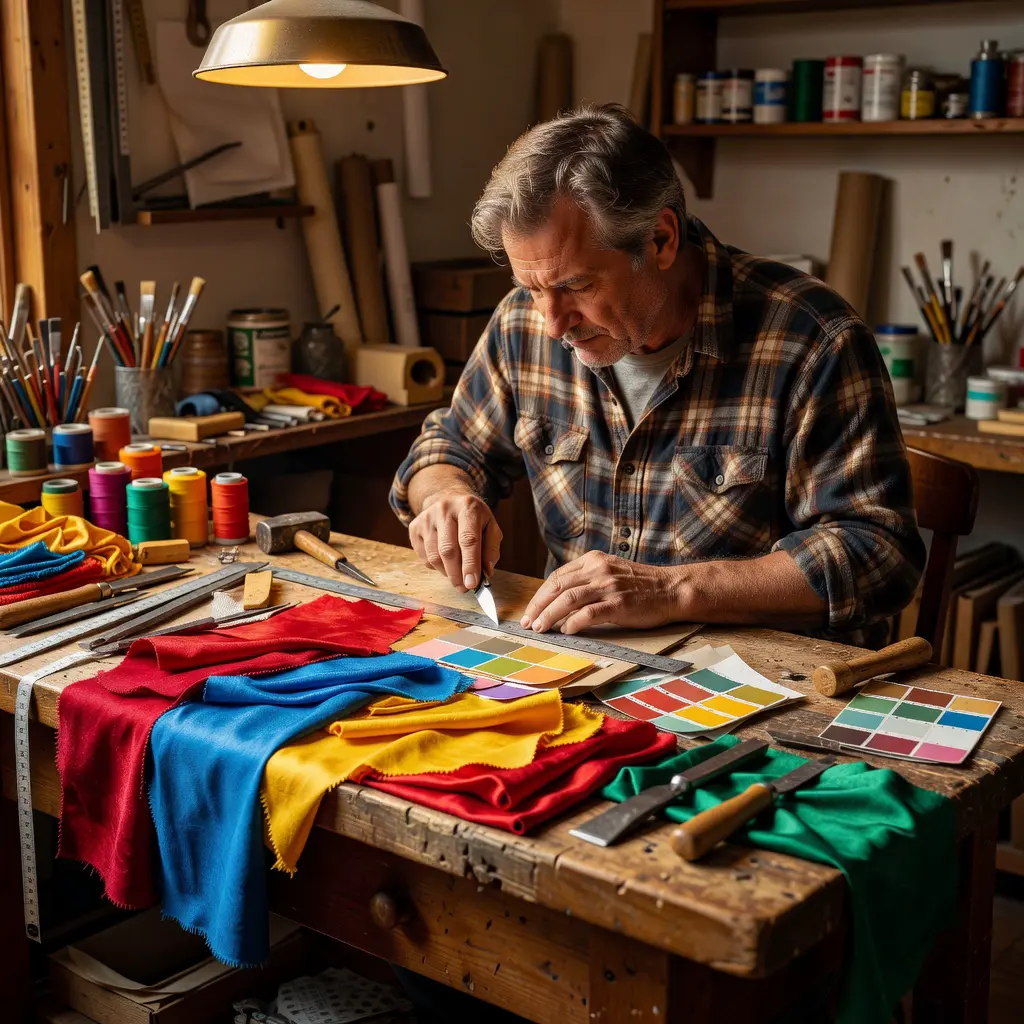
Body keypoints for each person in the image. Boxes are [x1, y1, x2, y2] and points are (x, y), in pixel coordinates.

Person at [390, 103, 924, 643]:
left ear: (661, 240)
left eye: (577, 285)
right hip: (584, 662)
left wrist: (672, 591)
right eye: (533, 288)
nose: (552, 324)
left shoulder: (812, 338)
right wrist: (443, 497)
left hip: (762, 680)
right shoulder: (522, 325)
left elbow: (878, 554)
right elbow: (448, 448)